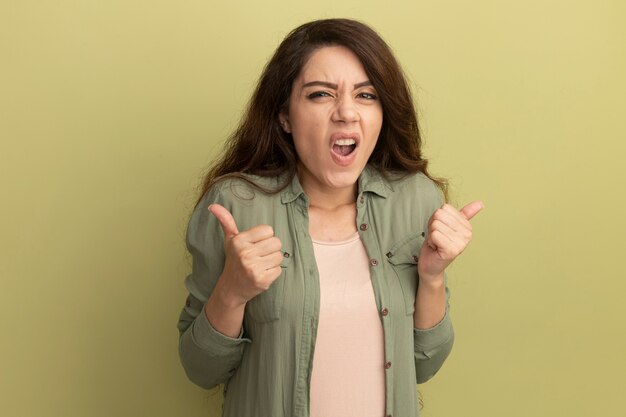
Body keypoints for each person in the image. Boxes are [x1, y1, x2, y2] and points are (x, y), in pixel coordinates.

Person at [177, 18, 483, 417]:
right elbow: (201, 369)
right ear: (284, 115)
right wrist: (232, 292)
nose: (346, 113)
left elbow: (424, 364)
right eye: (321, 94)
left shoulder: (416, 200)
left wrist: (432, 277)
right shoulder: (236, 204)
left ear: (383, 113)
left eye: (366, 95)